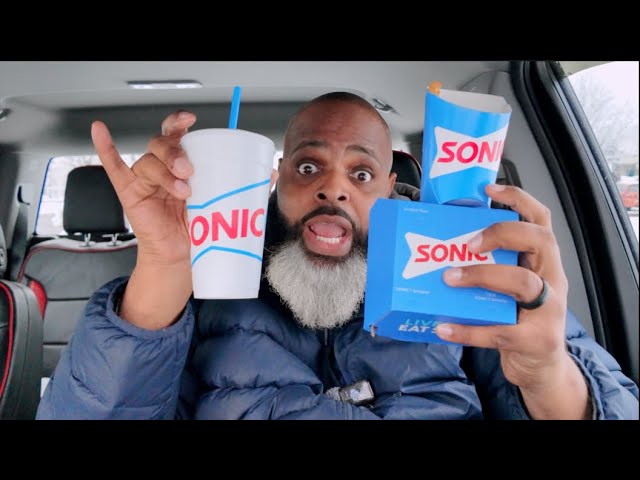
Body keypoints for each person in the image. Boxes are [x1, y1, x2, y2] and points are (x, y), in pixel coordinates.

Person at [37, 92, 638, 420]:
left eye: (362, 173)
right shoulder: (200, 278)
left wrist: (549, 375)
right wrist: (163, 269)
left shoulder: (471, 268)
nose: (334, 188)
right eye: (308, 167)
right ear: (276, 181)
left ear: (392, 192)